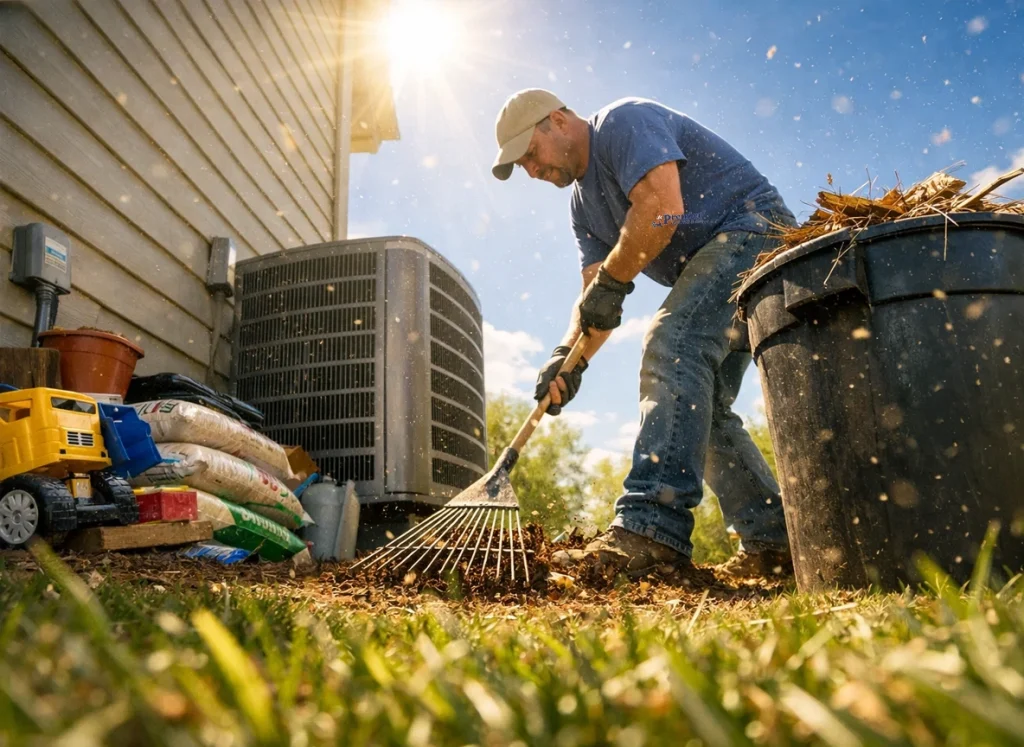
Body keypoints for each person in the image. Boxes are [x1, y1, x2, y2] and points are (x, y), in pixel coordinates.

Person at [491, 89, 796, 580]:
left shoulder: (622, 123)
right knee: (700, 403)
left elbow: (662, 207)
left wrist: (613, 283)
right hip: (715, 258)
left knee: (674, 348)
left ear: (559, 121)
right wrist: (569, 357)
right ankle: (774, 543)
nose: (531, 169)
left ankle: (652, 528)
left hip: (755, 230)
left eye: (531, 154)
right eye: (521, 165)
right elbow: (596, 294)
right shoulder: (580, 207)